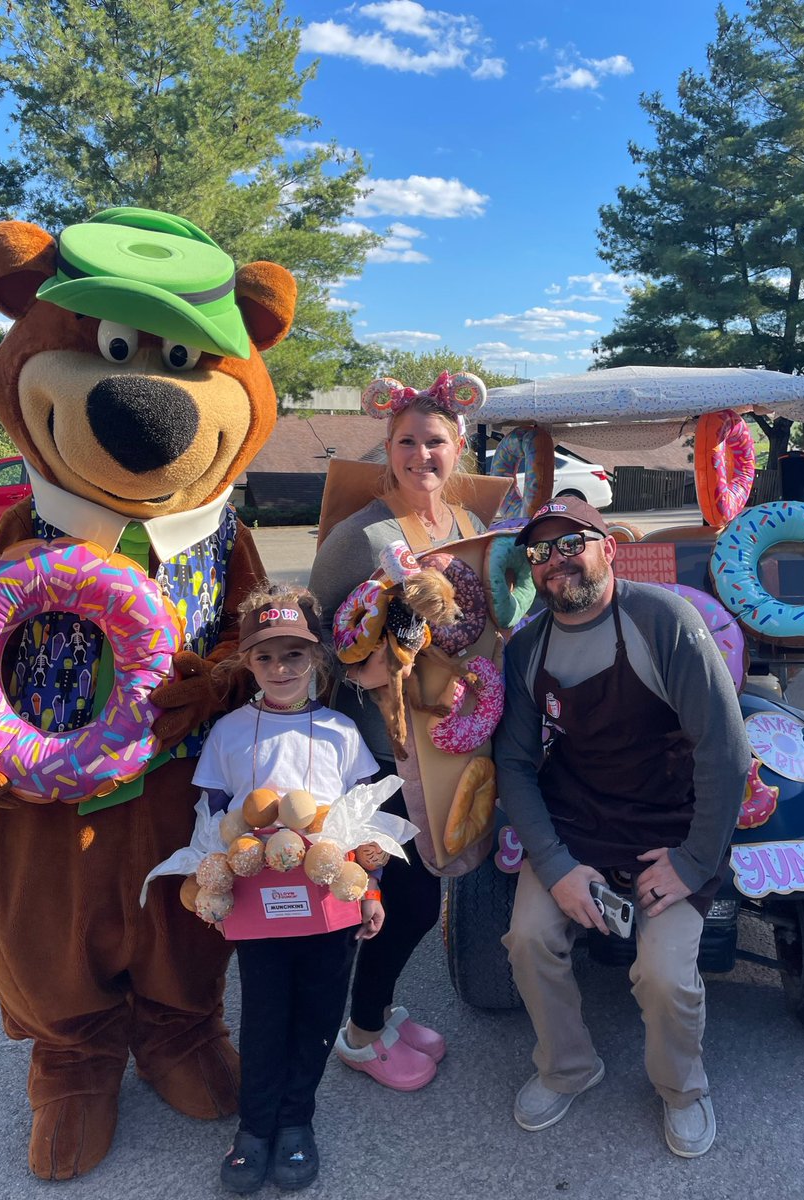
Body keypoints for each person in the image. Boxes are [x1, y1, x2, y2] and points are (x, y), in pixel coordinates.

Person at [493, 496, 750, 1159]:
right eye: (539, 553)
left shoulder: (663, 620)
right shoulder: (525, 647)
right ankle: (566, 1066)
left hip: (671, 824)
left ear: (608, 546)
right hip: (577, 820)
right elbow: (516, 765)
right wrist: (554, 866)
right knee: (526, 938)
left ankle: (681, 1088)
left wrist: (693, 861)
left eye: (570, 543)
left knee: (662, 976)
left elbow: (723, 749)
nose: (555, 562)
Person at [308, 372, 486, 1091]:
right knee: (404, 899)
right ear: (387, 447)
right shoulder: (361, 535)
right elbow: (311, 636)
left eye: (434, 441)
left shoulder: (469, 527)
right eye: (406, 441)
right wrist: (364, 674)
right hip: (382, 754)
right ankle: (361, 1034)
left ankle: (377, 1007)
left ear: (459, 446)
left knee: (432, 888)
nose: (421, 455)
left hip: (453, 741)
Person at [190, 584, 383, 1193]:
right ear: (247, 661)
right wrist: (211, 887)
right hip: (259, 908)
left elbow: (363, 823)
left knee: (319, 1012)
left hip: (329, 905)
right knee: (266, 1015)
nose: (280, 669)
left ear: (317, 660)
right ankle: (255, 1126)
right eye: (266, 656)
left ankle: (297, 1119)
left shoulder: (340, 734)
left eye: (294, 656)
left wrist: (371, 890)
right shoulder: (227, 735)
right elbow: (212, 820)